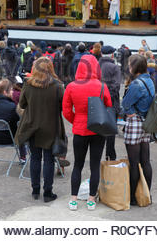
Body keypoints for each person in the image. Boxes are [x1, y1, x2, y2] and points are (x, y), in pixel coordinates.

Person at [63, 55, 112, 211]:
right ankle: (91, 199)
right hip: (97, 130)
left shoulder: (71, 86)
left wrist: (76, 120)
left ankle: (73, 199)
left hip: (80, 130)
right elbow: (108, 106)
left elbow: (66, 111)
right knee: (94, 165)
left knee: (77, 164)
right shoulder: (102, 86)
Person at [15, 58, 65, 202]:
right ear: (50, 68)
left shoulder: (28, 84)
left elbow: (22, 104)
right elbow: (62, 107)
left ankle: (35, 191)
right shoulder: (58, 86)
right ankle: (48, 193)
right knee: (49, 160)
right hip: (51, 126)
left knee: (35, 159)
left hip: (32, 125)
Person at [121, 54, 154, 205]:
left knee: (134, 163)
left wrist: (131, 111)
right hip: (147, 122)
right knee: (145, 161)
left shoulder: (136, 84)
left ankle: (133, 198)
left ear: (135, 67)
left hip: (135, 123)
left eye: (130, 64)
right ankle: (146, 194)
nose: (128, 67)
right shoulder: (150, 80)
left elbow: (125, 105)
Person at [99, 45, 122, 161]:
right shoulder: (115, 68)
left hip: (97, 102)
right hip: (111, 103)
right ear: (112, 55)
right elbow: (116, 87)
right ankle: (110, 156)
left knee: (98, 130)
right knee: (110, 132)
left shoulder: (96, 66)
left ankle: (98, 155)